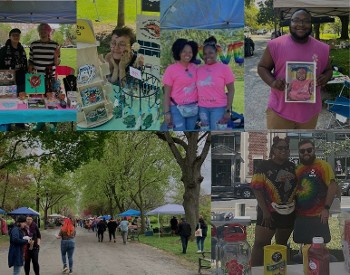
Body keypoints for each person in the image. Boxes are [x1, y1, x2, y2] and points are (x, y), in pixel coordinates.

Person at [257, 8, 333, 129]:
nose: (301, 24)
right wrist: (272, 82)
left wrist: (325, 78)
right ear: (290, 23)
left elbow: (329, 70)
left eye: (306, 21)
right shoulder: (275, 45)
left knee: (303, 146)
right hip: (279, 111)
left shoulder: (323, 48)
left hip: (309, 113)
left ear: (311, 24)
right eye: (296, 20)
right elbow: (262, 67)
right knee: (279, 146)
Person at [250, 136, 297, 266]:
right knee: (261, 243)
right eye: (280, 148)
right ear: (273, 150)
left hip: (288, 212)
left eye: (286, 148)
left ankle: (277, 270)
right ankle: (256, 271)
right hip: (268, 212)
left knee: (281, 245)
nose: (284, 150)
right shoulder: (263, 166)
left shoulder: (292, 166)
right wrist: (265, 211)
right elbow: (257, 189)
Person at [293, 139, 338, 245]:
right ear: (299, 153)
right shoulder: (297, 169)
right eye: (302, 151)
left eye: (309, 150)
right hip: (301, 216)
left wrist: (326, 208)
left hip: (318, 216)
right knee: (304, 245)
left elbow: (332, 187)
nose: (306, 153)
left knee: (319, 248)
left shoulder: (323, 166)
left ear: (314, 150)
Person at [197, 36, 235, 130]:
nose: (207, 56)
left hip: (219, 107)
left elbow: (231, 90)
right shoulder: (199, 70)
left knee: (215, 131)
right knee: (205, 131)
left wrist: (228, 110)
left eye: (210, 53)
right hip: (202, 108)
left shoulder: (224, 68)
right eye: (205, 54)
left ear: (216, 53)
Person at [28, 23, 61, 132]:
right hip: (36, 78)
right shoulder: (33, 45)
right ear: (38, 32)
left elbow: (57, 63)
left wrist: (56, 56)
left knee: (52, 100)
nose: (42, 32)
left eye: (45, 30)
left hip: (50, 77)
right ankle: (40, 122)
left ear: (49, 31)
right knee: (38, 101)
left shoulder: (55, 45)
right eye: (40, 30)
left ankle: (53, 124)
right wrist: (30, 73)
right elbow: (31, 61)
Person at [162, 38, 199, 131]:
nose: (187, 54)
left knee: (190, 132)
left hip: (193, 109)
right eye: (184, 51)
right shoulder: (171, 69)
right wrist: (167, 112)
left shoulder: (196, 69)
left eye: (190, 52)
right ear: (178, 52)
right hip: (176, 108)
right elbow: (166, 93)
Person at [0, 28, 28, 98]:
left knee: (21, 100)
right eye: (14, 35)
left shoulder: (22, 49)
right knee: (8, 101)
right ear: (10, 37)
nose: (16, 37)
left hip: (21, 80)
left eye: (18, 35)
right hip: (7, 81)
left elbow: (25, 62)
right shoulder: (3, 50)